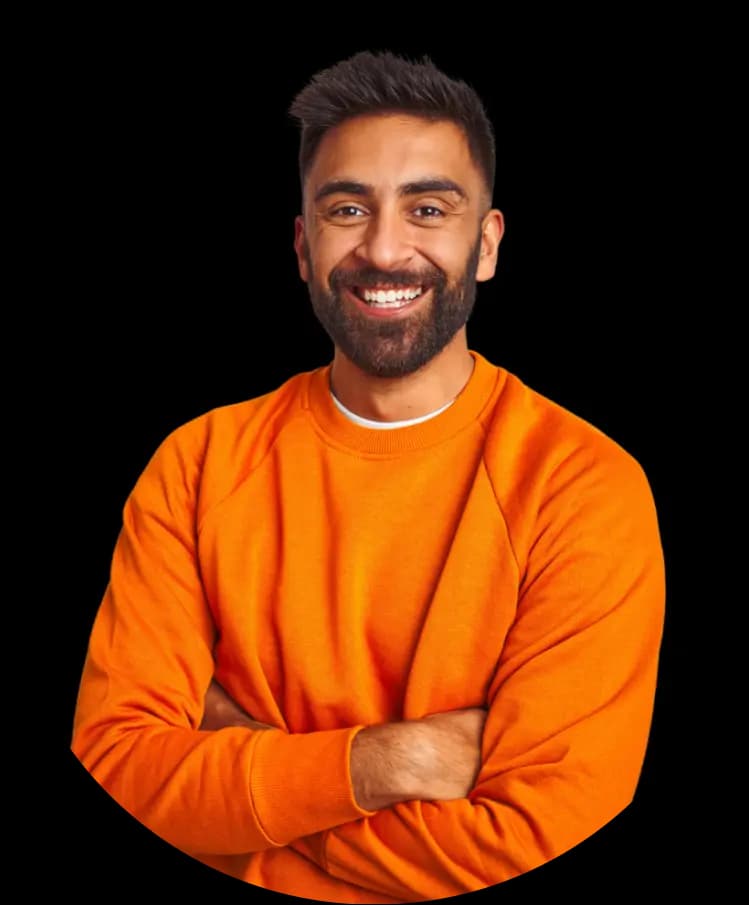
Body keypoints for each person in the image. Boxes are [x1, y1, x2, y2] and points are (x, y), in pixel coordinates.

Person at [71, 49, 665, 902]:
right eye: (348, 208)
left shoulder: (585, 487)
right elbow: (119, 771)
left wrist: (241, 803)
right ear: (305, 245)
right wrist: (390, 760)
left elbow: (536, 838)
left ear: (485, 244)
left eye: (428, 208)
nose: (385, 248)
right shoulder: (197, 465)